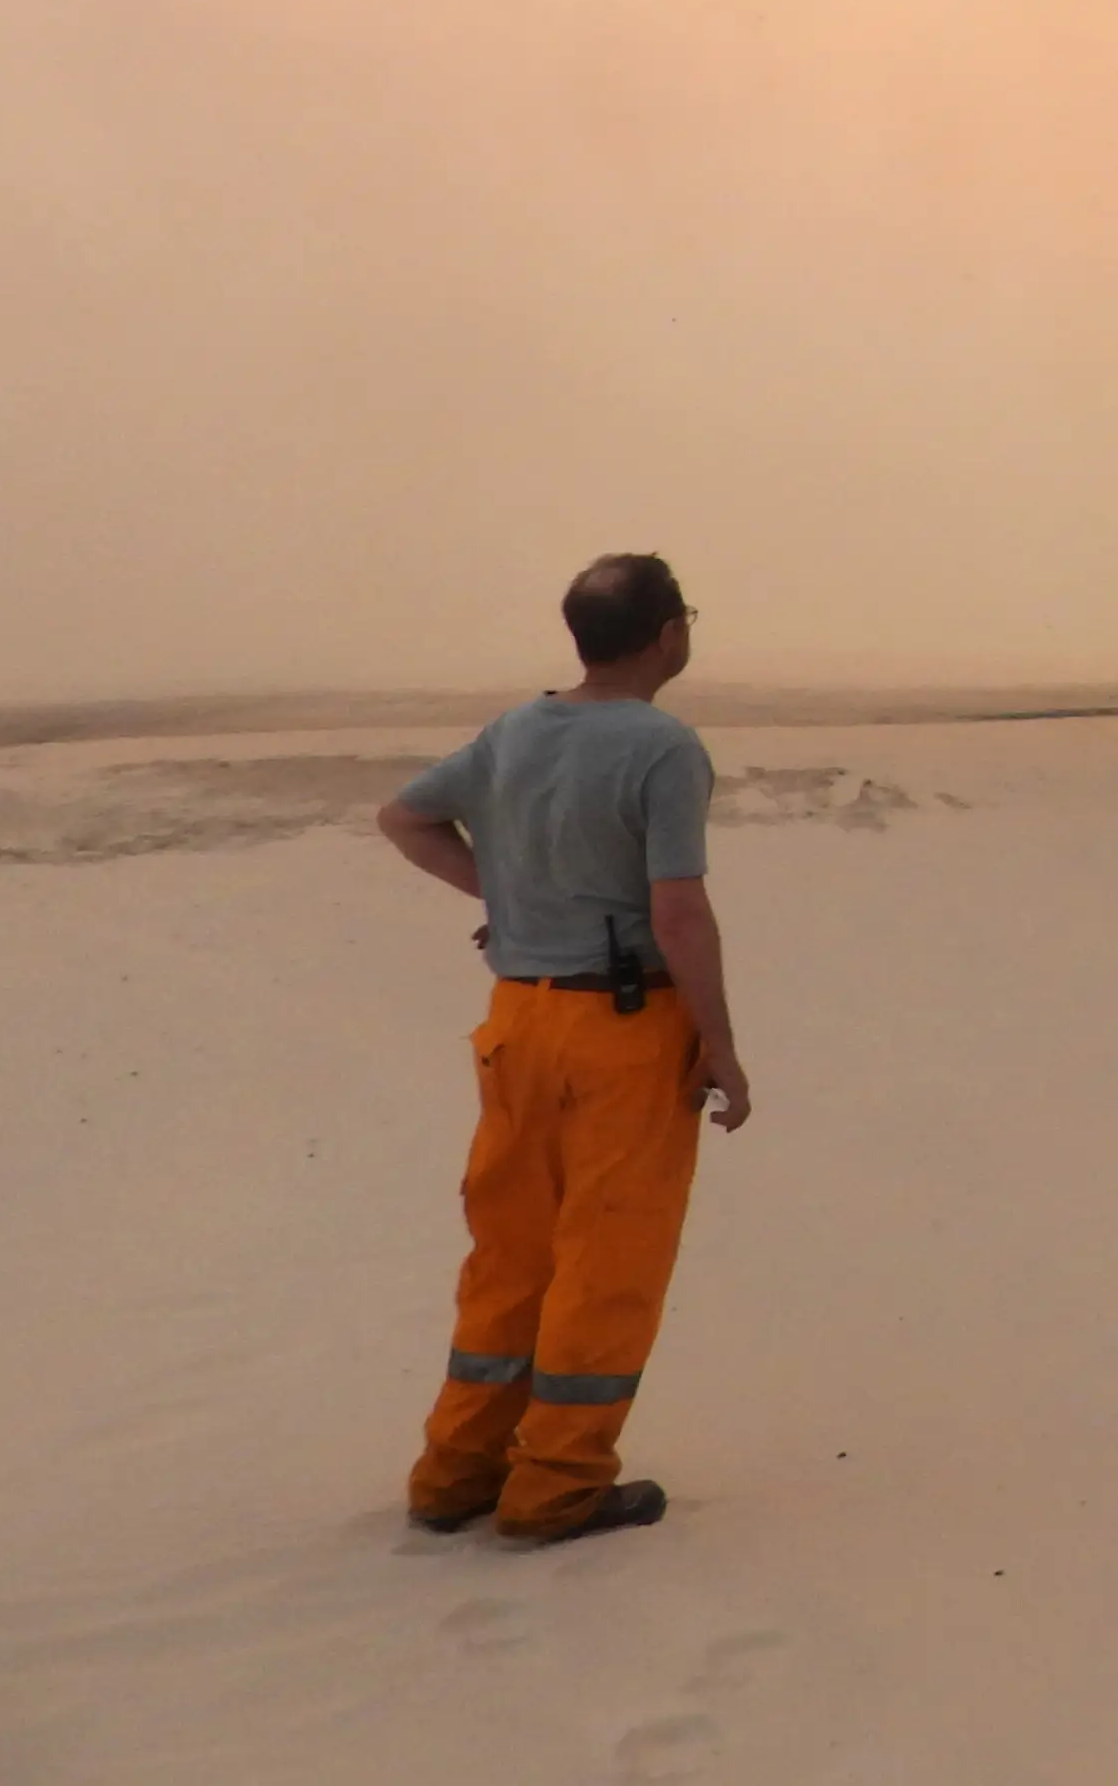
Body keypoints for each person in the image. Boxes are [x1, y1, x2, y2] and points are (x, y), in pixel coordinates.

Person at [374, 552, 753, 1545]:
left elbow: (405, 817)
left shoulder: (518, 729)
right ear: (669, 634)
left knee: (511, 1250)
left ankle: (456, 1471)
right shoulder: (663, 747)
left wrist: (510, 900)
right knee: (606, 1257)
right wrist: (719, 1043)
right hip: (622, 1032)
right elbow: (677, 908)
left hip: (518, 1023)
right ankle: (557, 1486)